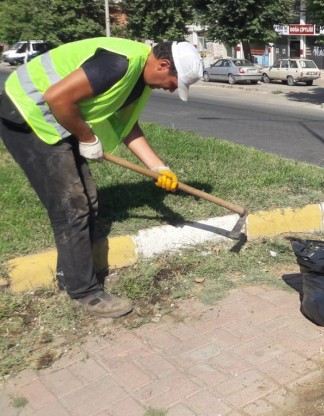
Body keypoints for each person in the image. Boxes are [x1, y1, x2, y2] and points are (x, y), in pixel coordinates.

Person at [0, 38, 203, 318]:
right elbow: (57, 97)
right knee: (72, 206)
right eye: (172, 82)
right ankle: (84, 292)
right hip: (28, 115)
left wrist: (158, 167)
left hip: (59, 117)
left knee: (88, 200)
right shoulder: (118, 64)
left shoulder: (138, 79)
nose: (170, 89)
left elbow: (126, 126)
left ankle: (68, 273)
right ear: (163, 64)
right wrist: (87, 137)